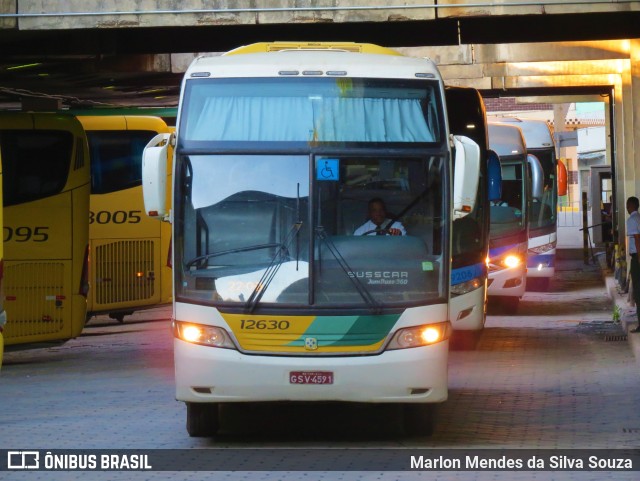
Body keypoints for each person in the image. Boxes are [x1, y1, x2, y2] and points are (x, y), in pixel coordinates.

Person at [626, 196, 640, 333]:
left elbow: (637, 239)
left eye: (627, 205)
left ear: (631, 206)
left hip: (637, 258)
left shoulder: (631, 220)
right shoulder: (639, 218)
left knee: (638, 291)